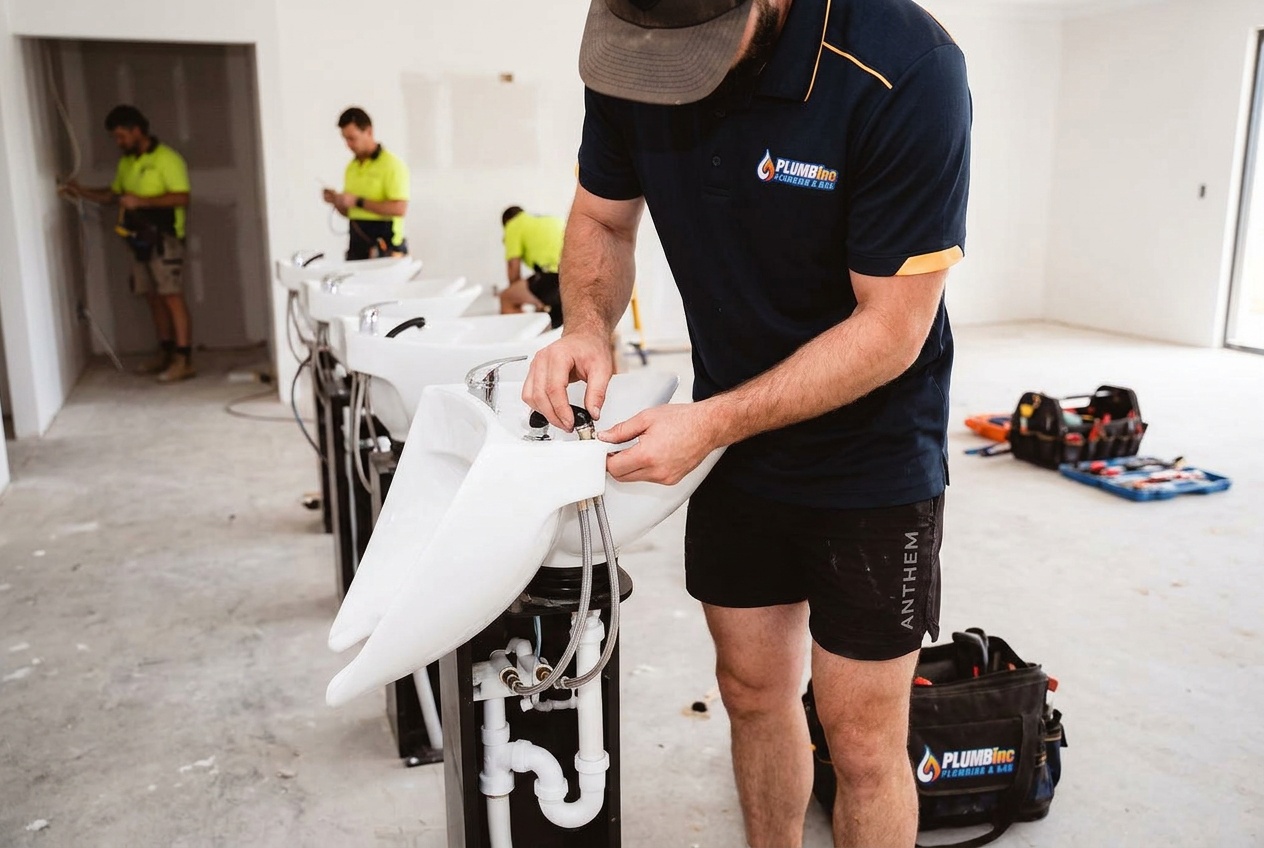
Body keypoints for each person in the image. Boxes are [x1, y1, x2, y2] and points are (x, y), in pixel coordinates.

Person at [523, 1, 971, 846]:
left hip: (871, 455)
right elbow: (603, 217)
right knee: (752, 693)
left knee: (863, 740)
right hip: (728, 438)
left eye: (692, 52)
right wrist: (585, 325)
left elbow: (892, 330)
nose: (667, 73)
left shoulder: (905, 67)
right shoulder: (638, 47)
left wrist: (711, 422)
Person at [61, 105, 195, 382]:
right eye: (115, 138)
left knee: (171, 296)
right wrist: (79, 191)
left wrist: (142, 201)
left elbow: (182, 198)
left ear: (138, 130)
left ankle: (184, 359)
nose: (119, 142)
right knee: (153, 298)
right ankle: (165, 352)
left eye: (122, 136)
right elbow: (114, 195)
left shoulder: (167, 159)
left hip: (164, 239)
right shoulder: (127, 163)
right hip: (139, 240)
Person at [322, 107, 410, 260]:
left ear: (368, 132)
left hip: (387, 249)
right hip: (357, 248)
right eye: (345, 139)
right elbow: (351, 212)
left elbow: (399, 208)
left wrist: (358, 201)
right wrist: (337, 201)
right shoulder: (351, 168)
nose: (348, 144)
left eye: (352, 138)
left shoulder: (392, 165)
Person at [500, 205, 566, 328]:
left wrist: (517, 295)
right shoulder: (547, 219)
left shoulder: (513, 225)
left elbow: (513, 269)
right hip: (573, 278)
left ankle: (521, 344)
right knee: (546, 315)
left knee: (506, 298)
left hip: (554, 278)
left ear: (506, 222)